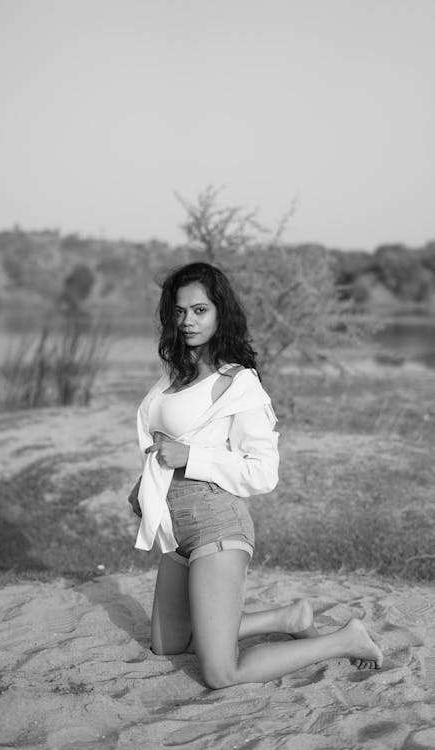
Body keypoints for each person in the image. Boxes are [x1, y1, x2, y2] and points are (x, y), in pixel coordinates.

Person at [128, 261, 382, 689]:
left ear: (220, 313)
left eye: (200, 310)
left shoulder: (239, 384)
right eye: (179, 311)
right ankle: (289, 617)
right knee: (168, 646)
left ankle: (345, 639)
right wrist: (144, 486)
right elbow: (159, 443)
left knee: (220, 672)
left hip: (216, 525)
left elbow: (264, 473)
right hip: (177, 530)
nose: (187, 320)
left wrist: (191, 455)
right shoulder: (173, 376)